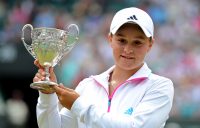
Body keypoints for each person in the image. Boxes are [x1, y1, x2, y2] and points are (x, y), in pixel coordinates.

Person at [33, 7, 174, 128]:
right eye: (122, 40)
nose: (128, 49)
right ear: (110, 39)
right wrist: (47, 95)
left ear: (150, 44)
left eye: (137, 42)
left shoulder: (160, 86)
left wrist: (78, 105)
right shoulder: (87, 86)